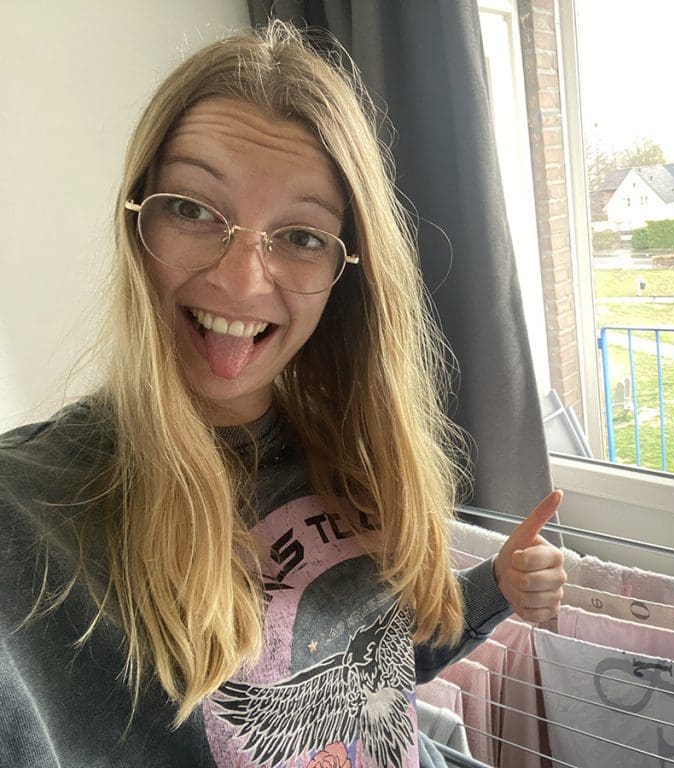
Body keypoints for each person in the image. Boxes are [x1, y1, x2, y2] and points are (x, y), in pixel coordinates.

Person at [0, 21, 565, 767]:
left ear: (344, 276)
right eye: (193, 209)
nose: (241, 281)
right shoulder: (27, 515)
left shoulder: (350, 454)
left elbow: (377, 671)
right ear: (136, 223)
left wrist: (493, 587)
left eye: (301, 236)